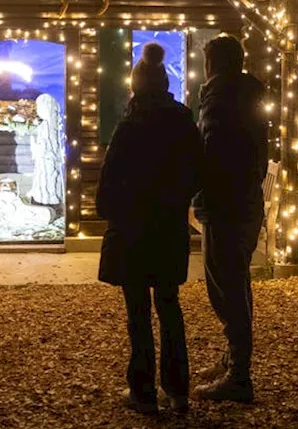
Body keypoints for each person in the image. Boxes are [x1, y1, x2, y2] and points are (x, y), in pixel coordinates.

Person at [96, 43, 202, 415]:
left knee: (138, 312)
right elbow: (196, 169)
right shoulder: (183, 118)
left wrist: (108, 211)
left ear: (137, 84)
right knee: (170, 306)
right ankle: (178, 389)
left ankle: (142, 391)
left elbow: (111, 177)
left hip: (133, 229)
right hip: (169, 225)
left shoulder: (131, 122)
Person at [192, 35, 269, 403]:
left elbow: (212, 155)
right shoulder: (245, 97)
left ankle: (239, 375)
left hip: (226, 207)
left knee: (227, 289)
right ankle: (233, 359)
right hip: (245, 203)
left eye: (206, 62)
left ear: (214, 65)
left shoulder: (220, 102)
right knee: (235, 283)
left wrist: (196, 190)